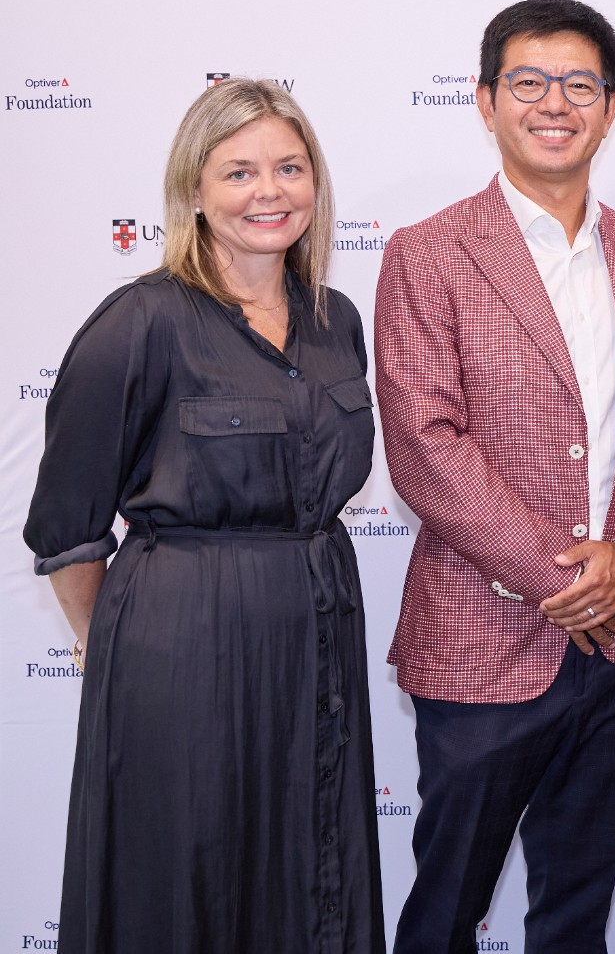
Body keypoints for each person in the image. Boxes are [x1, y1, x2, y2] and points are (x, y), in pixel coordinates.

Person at [23, 79, 382, 953]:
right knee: (185, 865)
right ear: (194, 190)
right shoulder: (139, 320)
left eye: (290, 167)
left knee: (315, 859)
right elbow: (69, 523)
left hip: (318, 632)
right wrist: (112, 640)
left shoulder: (337, 320)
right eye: (240, 171)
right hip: (181, 648)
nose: (270, 191)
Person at [376, 0, 615, 954]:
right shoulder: (427, 254)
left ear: (614, 101)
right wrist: (565, 580)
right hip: (480, 635)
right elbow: (427, 444)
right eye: (528, 82)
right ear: (485, 100)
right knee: (446, 907)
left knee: (577, 904)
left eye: (580, 84)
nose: (555, 103)